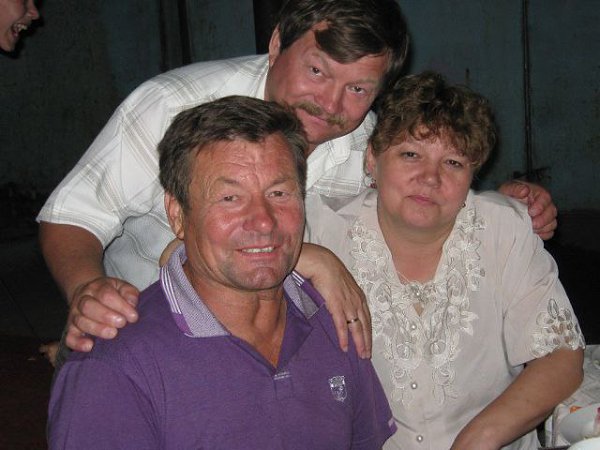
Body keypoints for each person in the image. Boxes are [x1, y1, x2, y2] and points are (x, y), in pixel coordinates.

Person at [37, 0, 556, 362]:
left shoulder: (363, 141)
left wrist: (497, 205)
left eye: (358, 89)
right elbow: (73, 215)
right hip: (148, 330)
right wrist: (88, 289)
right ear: (277, 43)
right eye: (317, 72)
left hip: (277, 337)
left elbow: (411, 203)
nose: (330, 104)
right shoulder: (172, 104)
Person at [47, 96, 397, 449]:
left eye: (279, 193)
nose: (263, 221)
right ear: (177, 215)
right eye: (230, 198)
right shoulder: (116, 366)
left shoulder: (332, 318)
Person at [306, 72, 585, 450]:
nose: (430, 178)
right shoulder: (321, 229)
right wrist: (309, 257)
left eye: (453, 162)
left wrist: (480, 437)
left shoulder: (502, 227)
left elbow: (560, 355)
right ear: (372, 158)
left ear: (473, 174)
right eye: (410, 154)